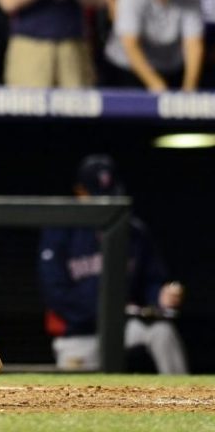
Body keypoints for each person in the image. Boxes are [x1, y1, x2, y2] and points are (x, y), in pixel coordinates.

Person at [39, 154, 188, 374]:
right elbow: (54, 291)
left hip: (125, 328)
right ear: (80, 192)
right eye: (97, 197)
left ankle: (187, 398)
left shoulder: (134, 232)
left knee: (161, 331)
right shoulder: (61, 232)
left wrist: (160, 296)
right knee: (73, 395)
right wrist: (106, 311)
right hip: (79, 333)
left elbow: (151, 280)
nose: (106, 205)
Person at [103, 0, 204, 91]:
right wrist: (156, 85)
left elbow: (193, 45)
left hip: (169, 66)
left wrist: (189, 89)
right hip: (127, 67)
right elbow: (130, 44)